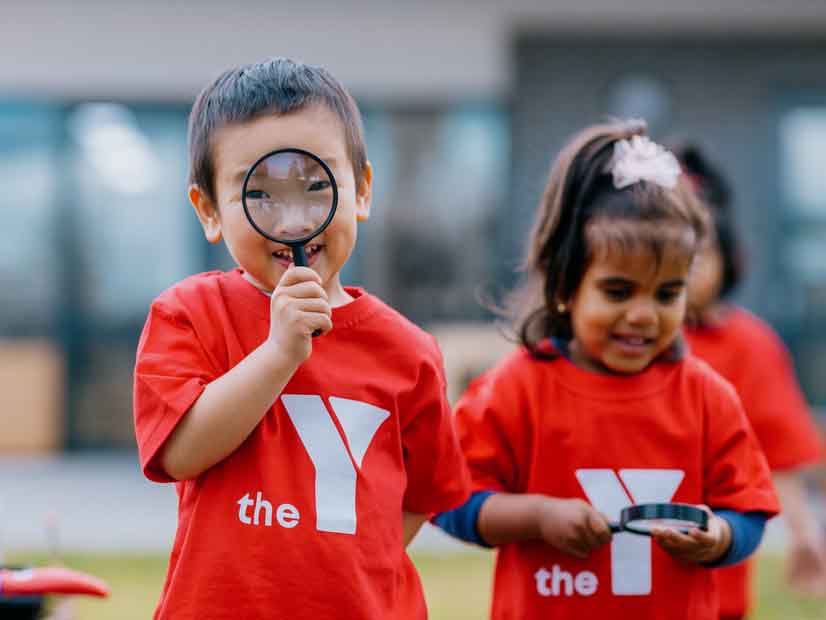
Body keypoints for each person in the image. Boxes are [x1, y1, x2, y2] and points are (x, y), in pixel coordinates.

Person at [132, 57, 470, 620]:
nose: (292, 220)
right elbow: (180, 453)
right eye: (261, 193)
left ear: (361, 191)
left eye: (315, 187)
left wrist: (342, 566)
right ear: (209, 210)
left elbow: (421, 497)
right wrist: (280, 352)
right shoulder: (188, 315)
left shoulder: (409, 352)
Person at [433, 121, 780, 619]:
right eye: (618, 292)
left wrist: (718, 535)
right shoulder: (517, 388)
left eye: (667, 294)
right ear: (565, 286)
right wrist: (538, 516)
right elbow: (451, 501)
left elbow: (748, 511)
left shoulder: (708, 397)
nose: (643, 314)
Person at [675, 142, 826, 618]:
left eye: (699, 254)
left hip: (716, 567)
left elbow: (777, 450)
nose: (684, 268)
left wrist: (805, 534)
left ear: (730, 258)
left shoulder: (750, 344)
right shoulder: (611, 342)